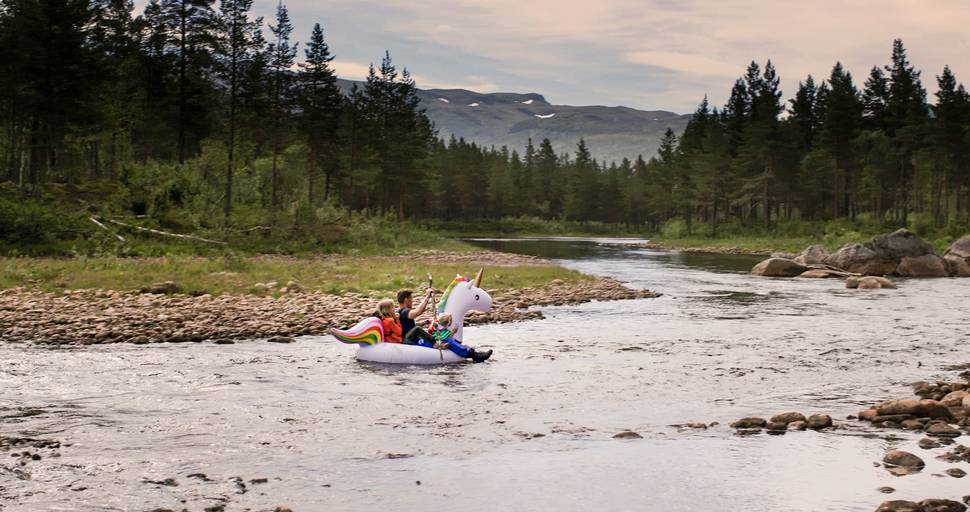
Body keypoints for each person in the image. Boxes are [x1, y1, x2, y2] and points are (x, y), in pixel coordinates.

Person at [420, 313, 493, 363]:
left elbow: (430, 321)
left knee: (453, 341)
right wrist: (453, 332)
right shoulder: (444, 331)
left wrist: (424, 322)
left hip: (432, 339)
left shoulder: (434, 323)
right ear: (447, 324)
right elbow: (444, 339)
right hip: (434, 342)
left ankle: (473, 352)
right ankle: (475, 356)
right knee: (451, 342)